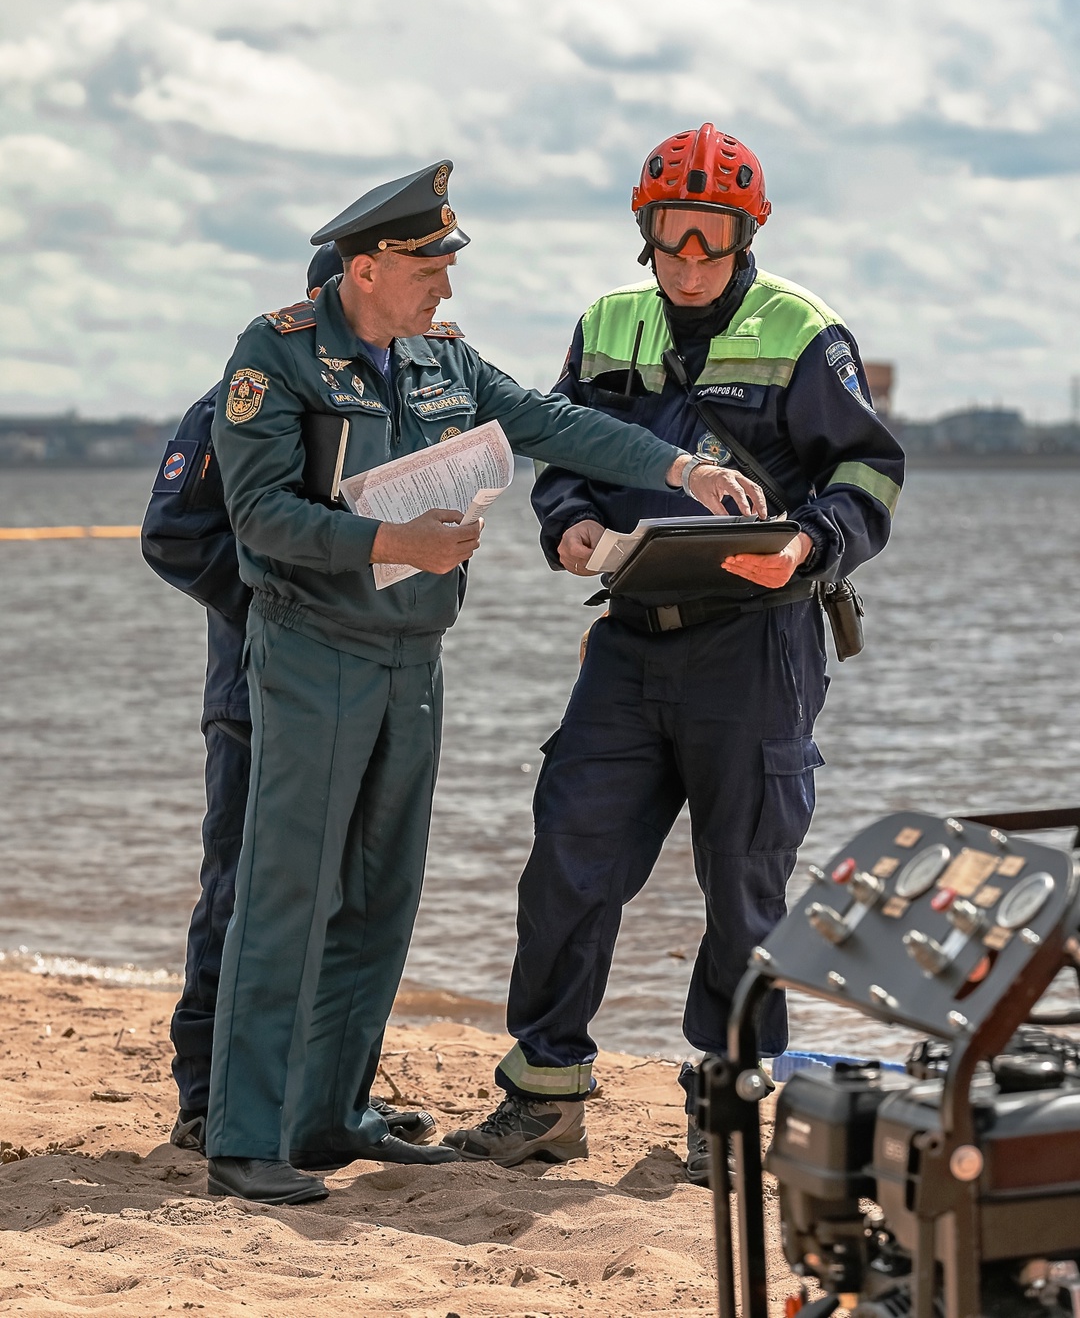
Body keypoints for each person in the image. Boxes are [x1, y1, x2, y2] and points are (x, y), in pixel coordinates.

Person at [204, 158, 758, 1205]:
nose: (445, 287)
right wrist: (392, 540)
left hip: (415, 656)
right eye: (428, 270)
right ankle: (243, 1138)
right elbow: (260, 516)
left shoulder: (444, 356)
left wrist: (682, 469)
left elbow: (556, 424)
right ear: (368, 268)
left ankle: (329, 1117)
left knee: (383, 896)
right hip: (315, 651)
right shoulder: (275, 353)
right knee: (289, 895)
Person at [443, 123, 906, 1179]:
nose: (689, 263)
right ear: (643, 231)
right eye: (671, 238)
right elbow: (561, 448)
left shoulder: (805, 331)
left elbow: (870, 474)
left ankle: (726, 1102)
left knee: (745, 883)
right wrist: (567, 524)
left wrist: (809, 544)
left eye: (712, 240)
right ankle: (545, 1095)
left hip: (759, 643)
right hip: (629, 638)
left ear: (749, 235)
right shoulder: (608, 322)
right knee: (568, 857)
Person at [141, 242, 438, 1155]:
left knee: (349, 896)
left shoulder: (394, 391)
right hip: (257, 686)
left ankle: (323, 1101)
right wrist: (288, 605)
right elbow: (173, 534)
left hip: (363, 677)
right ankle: (208, 1098)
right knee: (244, 891)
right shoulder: (240, 395)